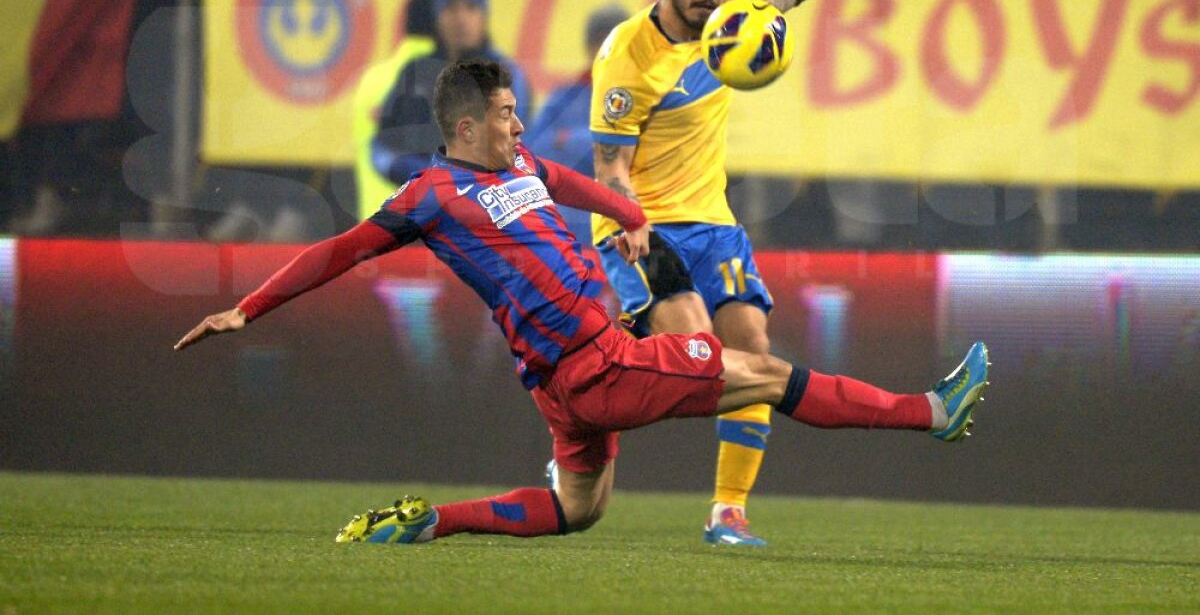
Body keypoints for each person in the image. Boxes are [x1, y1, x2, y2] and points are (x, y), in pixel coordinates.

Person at [175, 58, 990, 546]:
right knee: (767, 373)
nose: (516, 121)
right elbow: (339, 249)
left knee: (579, 510)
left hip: (568, 382)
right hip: (598, 365)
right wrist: (250, 307)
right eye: (502, 113)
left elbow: (580, 185)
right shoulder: (431, 194)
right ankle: (930, 411)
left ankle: (431, 523)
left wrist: (631, 217)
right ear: (463, 126)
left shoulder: (521, 164)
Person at [586, 0, 835, 546]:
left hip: (714, 224)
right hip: (640, 222)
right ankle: (590, 407)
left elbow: (769, 4)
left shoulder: (728, 23)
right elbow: (610, 166)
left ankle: (728, 511)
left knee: (752, 352)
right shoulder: (627, 55)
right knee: (697, 363)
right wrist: (631, 220)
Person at [372, 0, 530, 186]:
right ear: (438, 18)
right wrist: (419, 173)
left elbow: (517, 146)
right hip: (420, 202)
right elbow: (381, 145)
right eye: (451, 8)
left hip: (485, 204)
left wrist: (458, 178)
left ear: (483, 18)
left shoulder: (504, 73)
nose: (460, 18)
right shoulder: (415, 72)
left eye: (470, 8)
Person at [523, 2, 629, 239]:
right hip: (567, 225)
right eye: (600, 40)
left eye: (616, 41)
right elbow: (533, 151)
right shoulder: (563, 97)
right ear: (589, 46)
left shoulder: (646, 98)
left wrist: (567, 140)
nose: (607, 50)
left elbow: (631, 155)